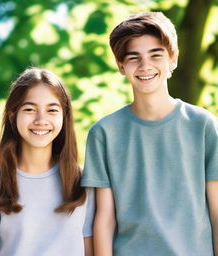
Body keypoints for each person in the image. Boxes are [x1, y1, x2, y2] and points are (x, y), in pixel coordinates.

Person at [81, 11, 218, 255]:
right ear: (121, 66)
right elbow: (104, 218)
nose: (145, 66)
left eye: (156, 55)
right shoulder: (104, 133)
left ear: (173, 59)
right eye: (134, 58)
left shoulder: (204, 125)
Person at [0, 67, 94, 256]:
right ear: (12, 114)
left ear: (64, 117)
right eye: (30, 109)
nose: (41, 119)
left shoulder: (83, 181)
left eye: (52, 110)